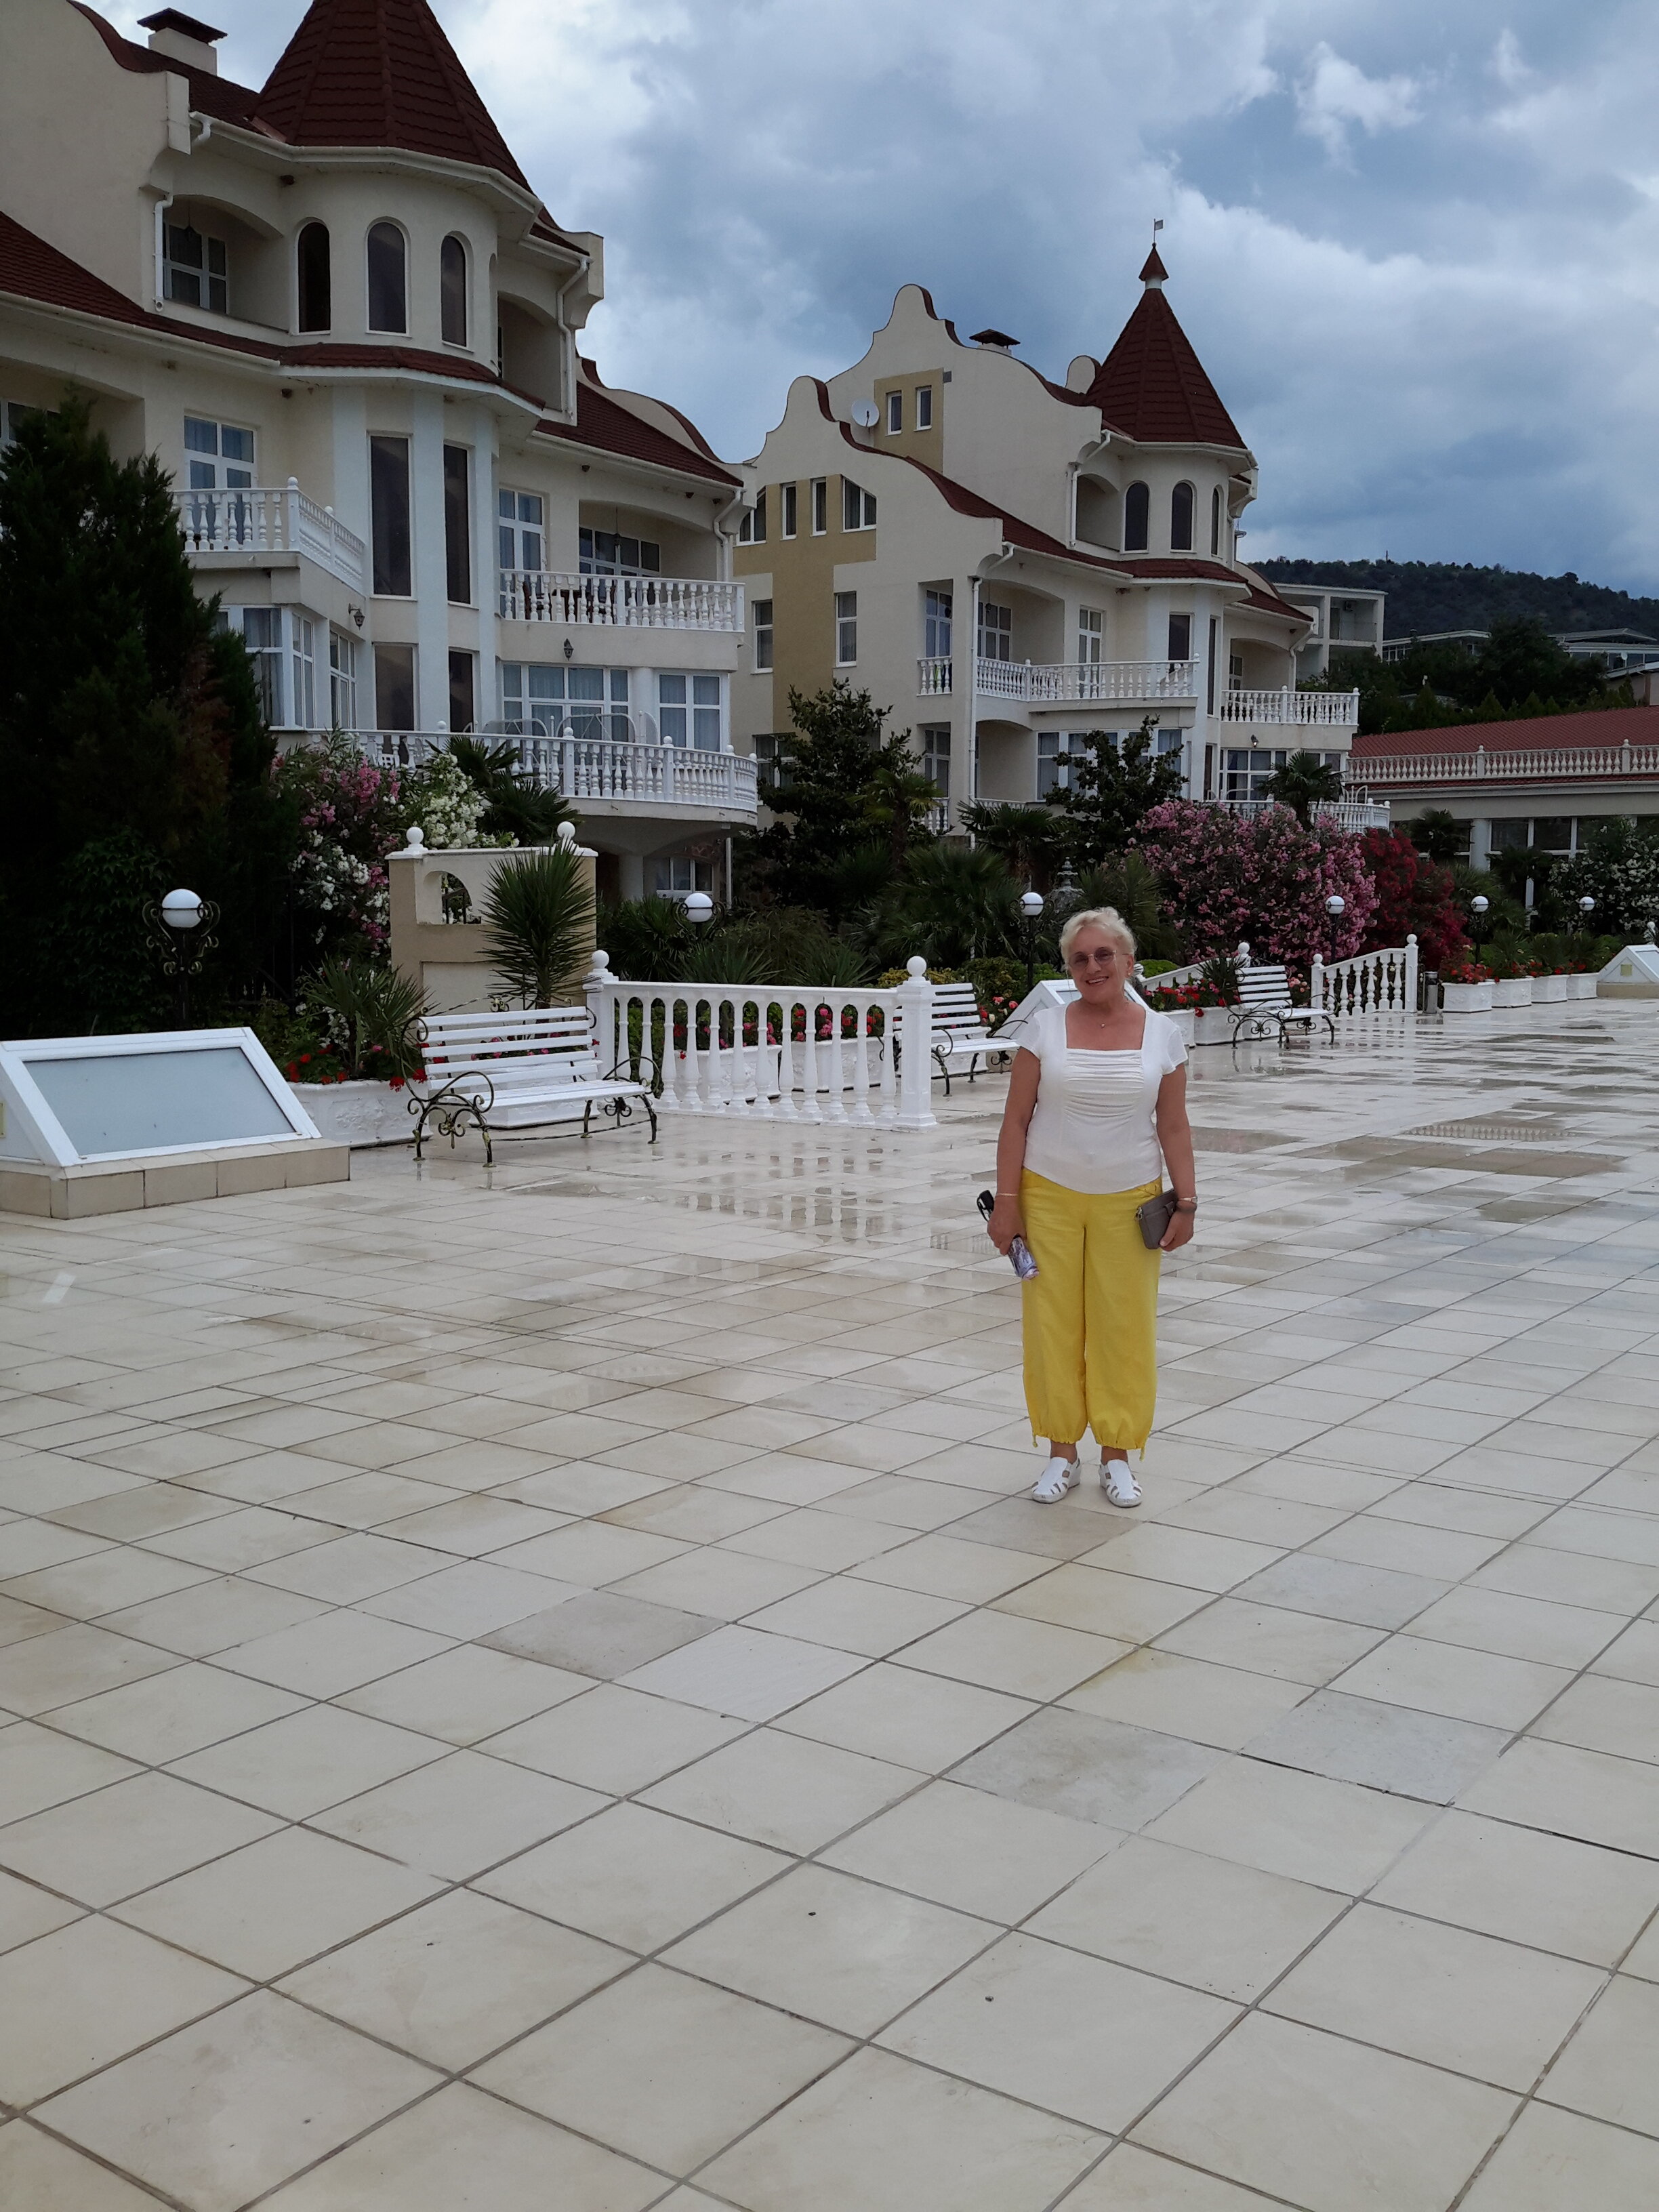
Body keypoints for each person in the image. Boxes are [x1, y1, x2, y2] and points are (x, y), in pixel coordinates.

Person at [986, 907, 1196, 1505]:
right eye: (1079, 959)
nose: (1092, 967)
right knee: (1052, 1326)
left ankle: (1117, 1455)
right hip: (1047, 1195)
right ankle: (1061, 1453)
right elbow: (1015, 1121)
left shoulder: (1163, 1035)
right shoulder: (1044, 1029)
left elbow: (1174, 1125)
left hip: (1130, 1200)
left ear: (1129, 961)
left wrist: (1187, 1202)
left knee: (1123, 1327)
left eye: (1104, 955)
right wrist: (1007, 1204)